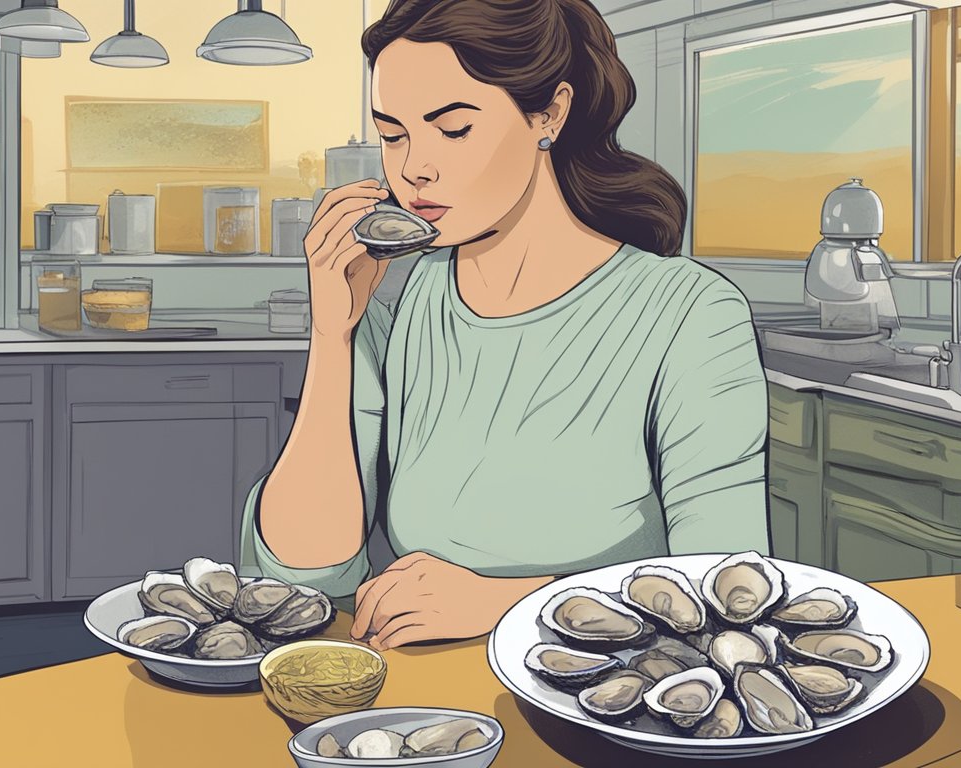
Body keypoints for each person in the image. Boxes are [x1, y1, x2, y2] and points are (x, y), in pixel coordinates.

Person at [239, 0, 769, 651]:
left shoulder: (690, 316)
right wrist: (332, 333)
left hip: (613, 703)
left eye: (453, 129)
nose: (413, 169)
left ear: (548, 113)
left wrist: (515, 602)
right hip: (426, 693)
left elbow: (731, 591)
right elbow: (306, 572)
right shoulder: (407, 303)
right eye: (393, 133)